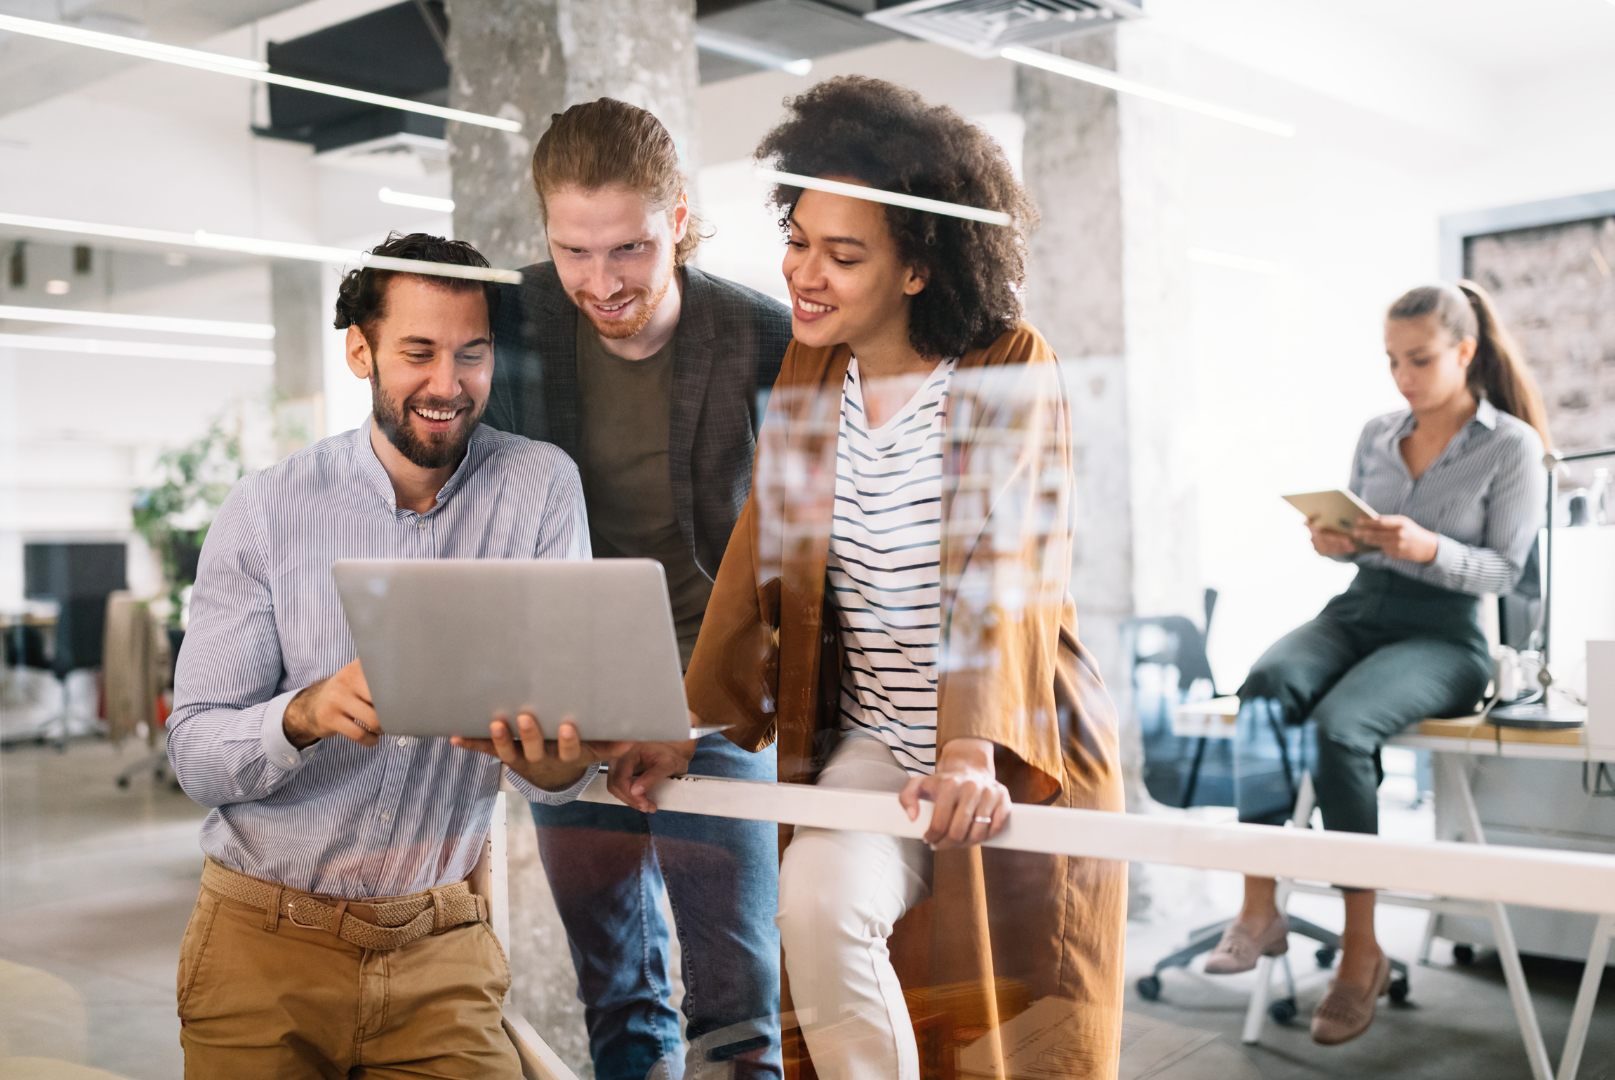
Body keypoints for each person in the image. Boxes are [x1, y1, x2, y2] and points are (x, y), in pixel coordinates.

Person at [607, 77, 1127, 1080]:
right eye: (798, 239)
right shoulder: (815, 371)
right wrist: (685, 721)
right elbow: (770, 553)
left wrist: (972, 747)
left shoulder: (1007, 365)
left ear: (920, 268)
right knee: (815, 901)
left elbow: (1001, 565)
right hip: (880, 740)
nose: (804, 273)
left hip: (1011, 741)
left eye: (843, 255)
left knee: (1015, 1033)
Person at [167, 233, 623, 1080]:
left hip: (440, 955)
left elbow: (550, 771)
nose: (447, 385)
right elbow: (195, 752)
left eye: (471, 355)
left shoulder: (541, 490)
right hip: (263, 947)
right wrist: (302, 715)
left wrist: (561, 759)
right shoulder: (267, 510)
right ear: (359, 350)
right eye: (418, 352)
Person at [482, 98, 790, 1080]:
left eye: (629, 248)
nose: (601, 282)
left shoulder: (763, 342)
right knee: (617, 989)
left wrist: (707, 712)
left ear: (683, 217)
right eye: (575, 251)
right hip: (575, 691)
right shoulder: (515, 321)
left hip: (713, 697)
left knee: (736, 1006)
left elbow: (804, 559)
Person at [1203, 280, 1550, 1046]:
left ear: (1464, 351)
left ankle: (1362, 951)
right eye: (1392, 361)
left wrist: (1433, 548)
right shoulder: (1376, 432)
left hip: (1446, 635)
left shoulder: (1511, 446)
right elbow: (1356, 537)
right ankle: (1259, 906)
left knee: (1338, 730)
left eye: (1420, 360)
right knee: (1262, 687)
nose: (1403, 378)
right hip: (1361, 610)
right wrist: (1337, 539)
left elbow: (1509, 573)